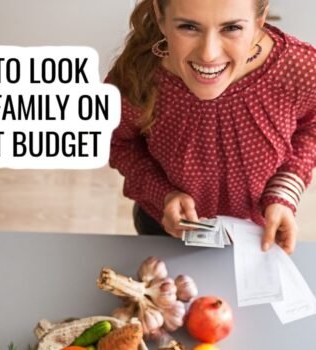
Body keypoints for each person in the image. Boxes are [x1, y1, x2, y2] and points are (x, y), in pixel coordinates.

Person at [107, 0, 316, 254]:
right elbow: (117, 142)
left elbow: (311, 128)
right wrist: (163, 194)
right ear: (160, 17)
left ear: (260, 19)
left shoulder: (301, 69)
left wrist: (284, 192)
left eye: (231, 28)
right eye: (188, 27)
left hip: (255, 233)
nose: (209, 54)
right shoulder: (136, 77)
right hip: (165, 228)